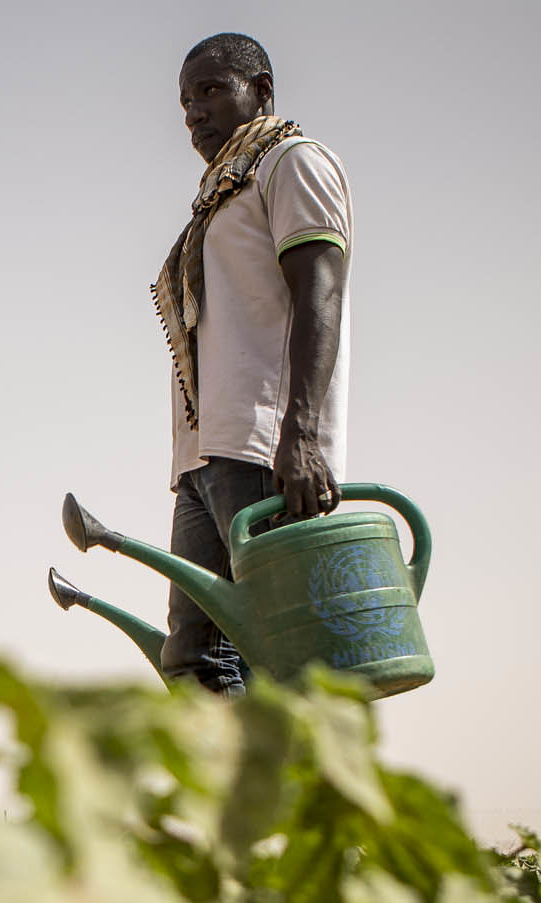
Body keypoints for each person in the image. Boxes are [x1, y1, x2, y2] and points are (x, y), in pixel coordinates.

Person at [155, 32, 352, 694]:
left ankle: (292, 793)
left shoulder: (291, 163)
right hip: (205, 458)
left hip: (265, 450)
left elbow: (319, 293)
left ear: (262, 90)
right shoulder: (219, 198)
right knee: (194, 663)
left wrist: (299, 435)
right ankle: (240, 799)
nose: (196, 114)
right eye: (186, 104)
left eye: (211, 91)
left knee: (279, 663)